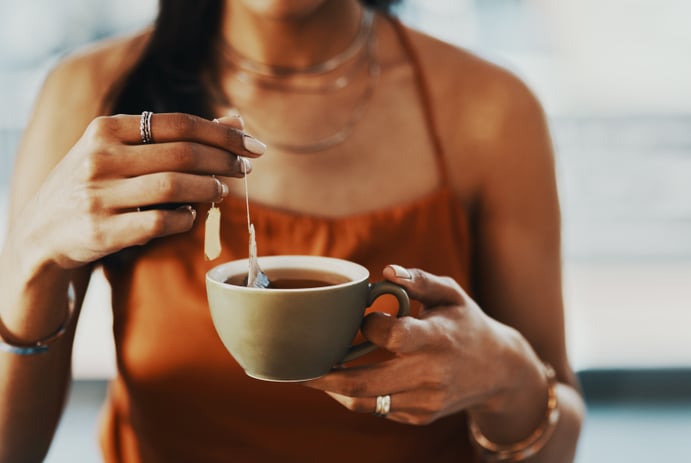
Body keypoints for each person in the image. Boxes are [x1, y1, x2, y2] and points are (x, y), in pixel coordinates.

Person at [0, 0, 585, 461]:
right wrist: (31, 261)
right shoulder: (93, 98)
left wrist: (508, 377)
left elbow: (556, 442)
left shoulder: (492, 110)